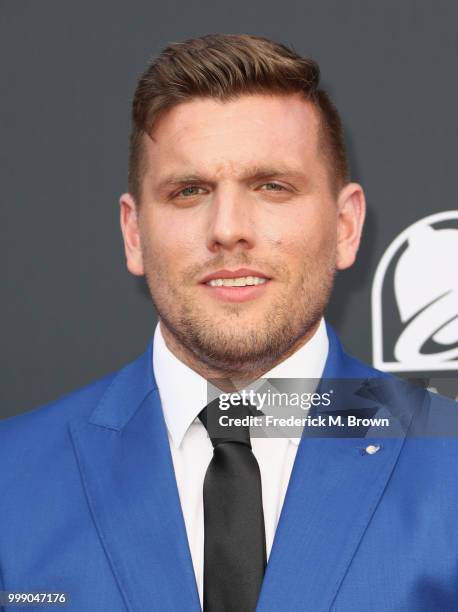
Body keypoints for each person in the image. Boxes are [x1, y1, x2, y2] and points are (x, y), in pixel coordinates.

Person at [0, 34, 457, 612]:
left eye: (272, 187)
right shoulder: (9, 481)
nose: (228, 227)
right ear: (134, 233)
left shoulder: (451, 464)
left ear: (345, 226)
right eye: (189, 191)